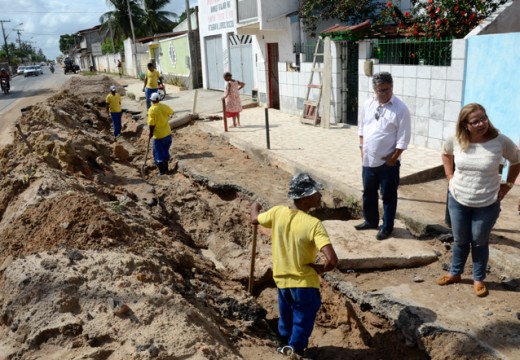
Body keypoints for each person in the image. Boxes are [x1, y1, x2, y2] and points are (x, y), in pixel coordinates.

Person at [250, 173, 338, 358]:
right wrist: (321, 268)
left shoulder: (277, 212)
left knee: (286, 316)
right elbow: (332, 260)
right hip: (304, 283)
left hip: (282, 280)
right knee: (302, 320)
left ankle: (283, 344)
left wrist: (254, 207)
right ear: (305, 198)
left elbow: (255, 219)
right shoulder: (314, 225)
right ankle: (294, 351)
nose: (320, 195)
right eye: (316, 193)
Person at [437, 103, 520, 297]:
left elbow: (516, 160)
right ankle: (455, 273)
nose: (482, 123)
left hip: (487, 202)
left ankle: (478, 279)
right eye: (476, 121)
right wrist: (450, 177)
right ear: (466, 125)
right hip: (458, 199)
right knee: (459, 240)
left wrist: (507, 185)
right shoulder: (456, 139)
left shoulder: (499, 141)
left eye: (484, 118)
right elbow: (445, 153)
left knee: (479, 241)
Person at [355, 71, 411, 241]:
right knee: (369, 193)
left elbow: (404, 137)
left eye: (388, 89)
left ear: (392, 87)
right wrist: (362, 150)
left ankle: (387, 227)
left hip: (388, 164)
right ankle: (371, 221)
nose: (385, 93)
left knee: (388, 196)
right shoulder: (368, 104)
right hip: (368, 160)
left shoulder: (400, 109)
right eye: (381, 90)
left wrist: (393, 159)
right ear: (375, 89)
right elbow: (362, 128)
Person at [147, 92, 174, 175]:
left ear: (152, 100)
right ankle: (166, 169)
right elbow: (172, 112)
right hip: (167, 134)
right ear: (158, 99)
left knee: (157, 154)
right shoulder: (164, 106)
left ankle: (162, 171)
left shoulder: (151, 109)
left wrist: (151, 133)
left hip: (158, 136)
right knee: (165, 151)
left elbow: (151, 124)